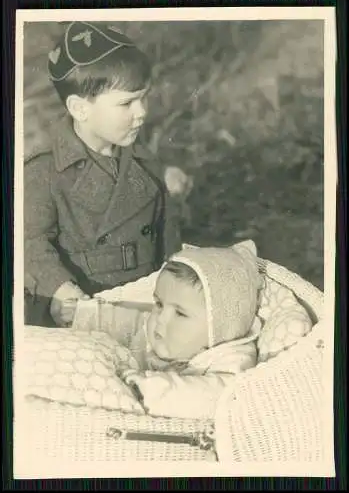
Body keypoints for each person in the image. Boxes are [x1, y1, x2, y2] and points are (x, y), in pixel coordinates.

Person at [24, 21, 182, 328]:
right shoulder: (44, 172)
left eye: (144, 96)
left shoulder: (143, 161)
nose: (142, 112)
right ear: (80, 109)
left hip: (148, 306)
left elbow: (167, 238)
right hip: (80, 315)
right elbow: (29, 242)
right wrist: (58, 288)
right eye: (127, 103)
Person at [73, 240, 263, 419]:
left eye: (180, 314)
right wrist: (83, 314)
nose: (161, 318)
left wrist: (148, 389)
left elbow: (221, 395)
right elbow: (130, 322)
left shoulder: (230, 357)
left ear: (219, 327)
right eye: (159, 304)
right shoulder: (155, 330)